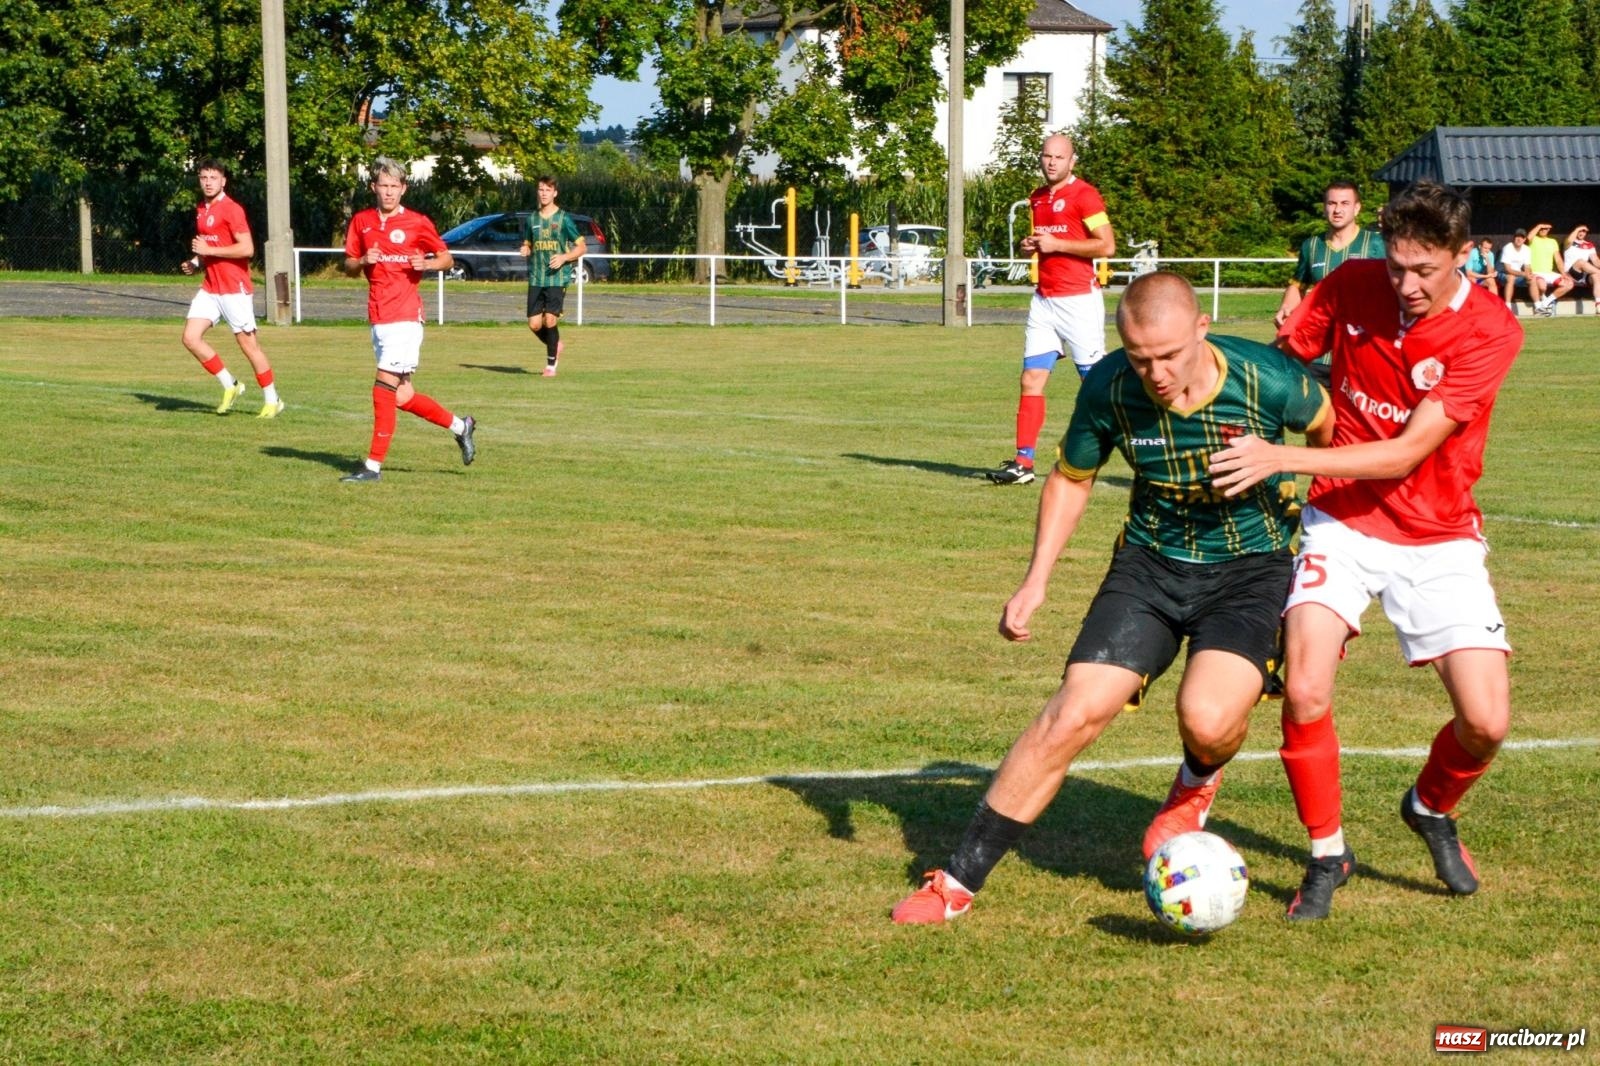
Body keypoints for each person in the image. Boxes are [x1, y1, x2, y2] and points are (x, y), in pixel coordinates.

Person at [892, 272, 1331, 925]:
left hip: (1250, 571)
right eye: (1139, 356)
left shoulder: (1266, 376)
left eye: (1169, 355)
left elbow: (1328, 430)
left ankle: (1196, 780)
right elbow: (1072, 480)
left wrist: (1295, 486)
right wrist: (1036, 579)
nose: (1154, 372)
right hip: (1149, 566)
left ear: (1201, 328)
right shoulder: (1109, 388)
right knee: (1071, 713)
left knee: (1208, 719)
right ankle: (956, 882)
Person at [1209, 180, 1522, 922]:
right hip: (1339, 523)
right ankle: (1327, 854)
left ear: (1461, 256)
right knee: (1308, 688)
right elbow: (1282, 371)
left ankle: (1429, 806)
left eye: (1425, 271)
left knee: (1487, 723)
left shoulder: (1491, 330)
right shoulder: (1351, 283)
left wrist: (1279, 460)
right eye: (1397, 268)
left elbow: (1406, 453)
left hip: (1438, 533)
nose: (1407, 286)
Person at [987, 133, 1116, 486]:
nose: (1052, 162)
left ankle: (1142, 451)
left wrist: (1057, 243)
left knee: (1095, 384)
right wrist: (1028, 246)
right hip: (1044, 300)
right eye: (1047, 156)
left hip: (1078, 301)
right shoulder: (1038, 198)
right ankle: (1023, 464)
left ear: (1072, 161)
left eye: (1059, 157)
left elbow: (1107, 246)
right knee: (1030, 378)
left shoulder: (1085, 195)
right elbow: (1045, 243)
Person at [338, 158, 476, 483]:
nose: (388, 192)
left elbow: (446, 258)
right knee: (401, 396)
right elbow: (347, 266)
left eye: (394, 187)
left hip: (406, 317)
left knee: (382, 388)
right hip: (378, 316)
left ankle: (372, 468)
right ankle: (461, 426)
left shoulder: (417, 222)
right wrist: (360, 261)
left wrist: (426, 264)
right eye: (383, 186)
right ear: (374, 187)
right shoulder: (361, 222)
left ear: (403, 189)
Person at [179, 159, 284, 417]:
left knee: (249, 347)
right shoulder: (202, 209)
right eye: (203, 177)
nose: (207, 182)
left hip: (234, 289)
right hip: (211, 288)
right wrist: (196, 262)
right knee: (190, 338)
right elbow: (209, 248)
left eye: (213, 178)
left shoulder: (232, 209)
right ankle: (231, 384)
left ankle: (273, 400)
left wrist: (208, 250)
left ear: (223, 180)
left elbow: (247, 249)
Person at [1274, 181, 1387, 385]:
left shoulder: (1377, 243)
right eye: (1332, 203)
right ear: (1324, 207)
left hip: (1358, 350)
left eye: (1344, 203)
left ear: (1357, 208)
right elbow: (1298, 284)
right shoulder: (1312, 245)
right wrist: (1287, 308)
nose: (1337, 210)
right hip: (1315, 354)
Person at [518, 175, 586, 377]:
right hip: (537, 277)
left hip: (557, 278)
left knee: (550, 321)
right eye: (541, 189)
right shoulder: (532, 219)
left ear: (555, 193)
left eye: (548, 190)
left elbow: (581, 247)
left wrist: (565, 257)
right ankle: (555, 344)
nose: (544, 193)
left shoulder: (563, 218)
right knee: (534, 324)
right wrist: (525, 249)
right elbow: (528, 243)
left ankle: (550, 366)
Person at [1526, 221, 1573, 315]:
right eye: (1542, 229)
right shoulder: (1533, 239)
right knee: (1542, 287)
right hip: (1536, 272)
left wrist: (1564, 273)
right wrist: (1539, 226)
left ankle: (1546, 302)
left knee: (1569, 283)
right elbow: (1528, 237)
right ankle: (1542, 303)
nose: (1543, 230)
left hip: (1549, 273)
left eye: (1546, 229)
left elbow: (1558, 260)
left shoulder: (1553, 242)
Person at [1562, 224, 1600, 310]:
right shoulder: (1569, 242)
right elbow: (1569, 240)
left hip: (1583, 276)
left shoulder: (1589, 245)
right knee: (1581, 261)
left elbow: (1596, 261)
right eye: (1580, 230)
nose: (1581, 232)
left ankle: (1598, 304)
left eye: (1584, 231)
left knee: (1596, 276)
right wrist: (1578, 228)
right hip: (1570, 273)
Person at [1499, 228, 1534, 311]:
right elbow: (1507, 269)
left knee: (1533, 278)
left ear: (1524, 239)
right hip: (1503, 274)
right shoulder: (1507, 248)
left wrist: (1528, 274)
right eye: (1517, 237)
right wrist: (1523, 274)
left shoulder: (1527, 249)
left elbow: (1527, 266)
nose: (1519, 239)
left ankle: (1538, 305)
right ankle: (1508, 305)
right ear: (1514, 238)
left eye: (1522, 237)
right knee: (1511, 277)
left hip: (1518, 275)